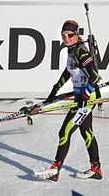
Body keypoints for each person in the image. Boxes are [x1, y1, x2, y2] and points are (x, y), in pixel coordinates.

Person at [33, 20, 102, 181]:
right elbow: (69, 71)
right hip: (80, 97)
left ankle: (55, 170)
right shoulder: (71, 50)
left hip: (86, 100)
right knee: (86, 132)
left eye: (70, 35)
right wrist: (55, 88)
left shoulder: (81, 51)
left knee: (65, 132)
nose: (66, 38)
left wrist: (85, 96)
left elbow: (95, 76)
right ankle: (96, 169)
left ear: (77, 36)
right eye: (63, 35)